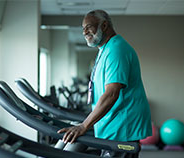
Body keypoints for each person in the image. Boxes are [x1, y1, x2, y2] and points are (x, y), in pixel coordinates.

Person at [57, 10, 152, 158]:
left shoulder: (116, 50)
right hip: (111, 123)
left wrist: (83, 126)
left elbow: (112, 93)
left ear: (105, 25)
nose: (84, 32)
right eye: (83, 28)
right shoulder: (105, 49)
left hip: (122, 127)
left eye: (88, 27)